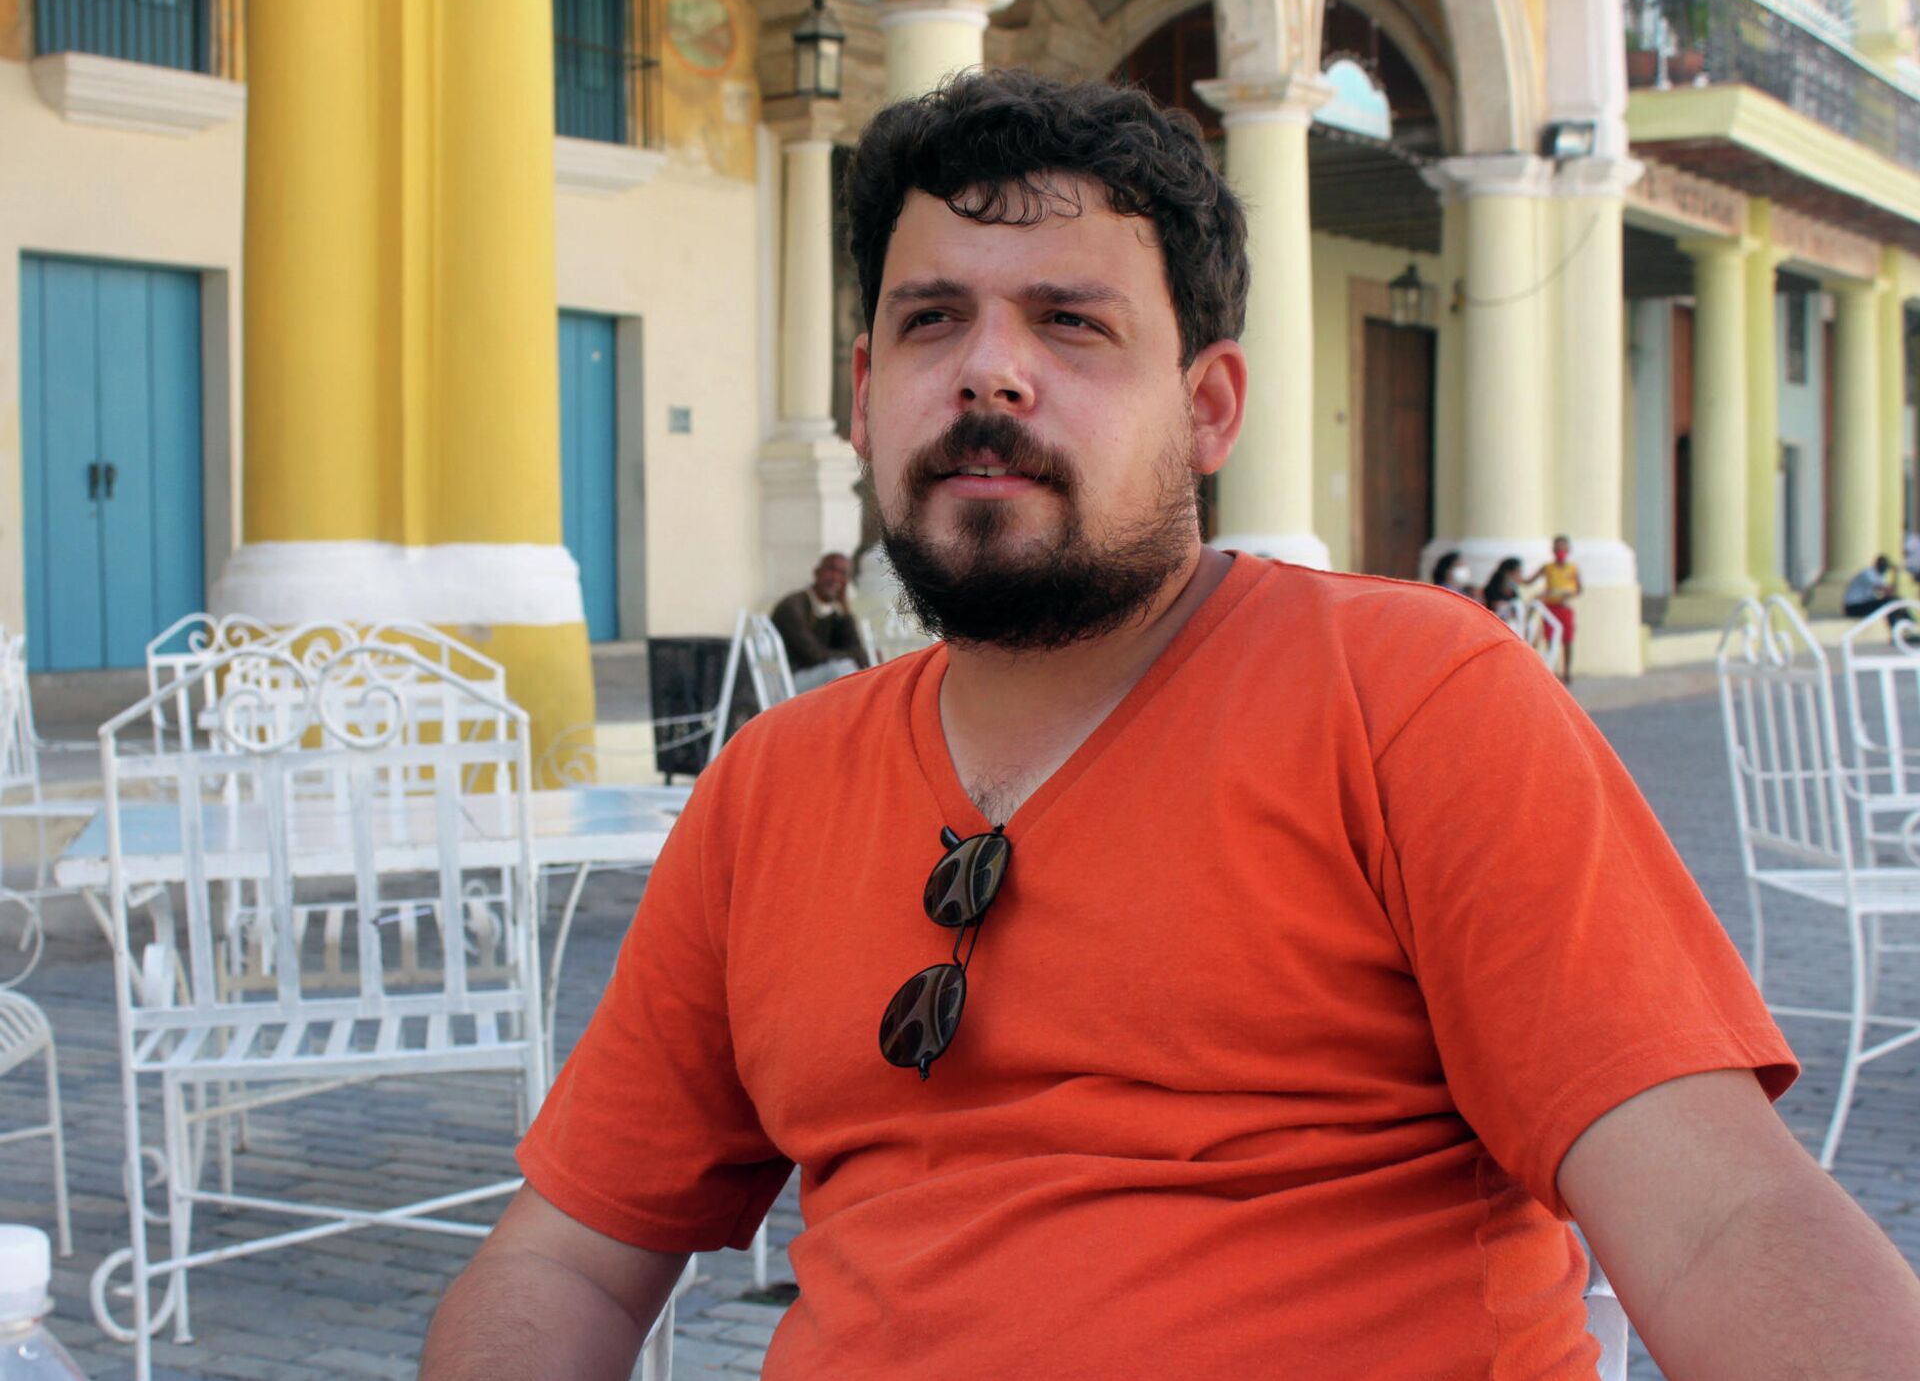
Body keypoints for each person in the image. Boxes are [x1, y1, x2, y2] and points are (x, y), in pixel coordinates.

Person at [422, 72, 1920, 1380]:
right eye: (932, 320)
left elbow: (1724, 1218)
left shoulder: (1410, 698)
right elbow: (567, 1259)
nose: (989, 369)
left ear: (1209, 407)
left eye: (1071, 324)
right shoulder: (773, 785)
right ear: (868, 395)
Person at [768, 552, 866, 690]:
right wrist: (851, 656)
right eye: (831, 569)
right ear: (817, 572)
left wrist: (845, 609)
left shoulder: (832, 612)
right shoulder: (793, 606)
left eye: (843, 574)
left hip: (812, 677)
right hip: (787, 682)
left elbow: (858, 652)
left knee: (853, 669)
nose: (836, 578)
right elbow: (814, 656)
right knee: (840, 670)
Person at [1526, 536, 1582, 682]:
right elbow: (1529, 581)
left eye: (1562, 547)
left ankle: (1567, 671)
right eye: (1557, 548)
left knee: (1567, 640)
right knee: (1550, 639)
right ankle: (1552, 670)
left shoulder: (1573, 568)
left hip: (1564, 607)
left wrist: (1568, 594)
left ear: (1568, 549)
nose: (1560, 551)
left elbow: (1579, 589)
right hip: (1550, 608)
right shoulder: (1547, 568)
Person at [1481, 554, 1524, 622]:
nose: (1521, 575)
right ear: (1508, 573)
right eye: (1518, 571)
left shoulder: (1513, 589)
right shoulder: (1492, 590)